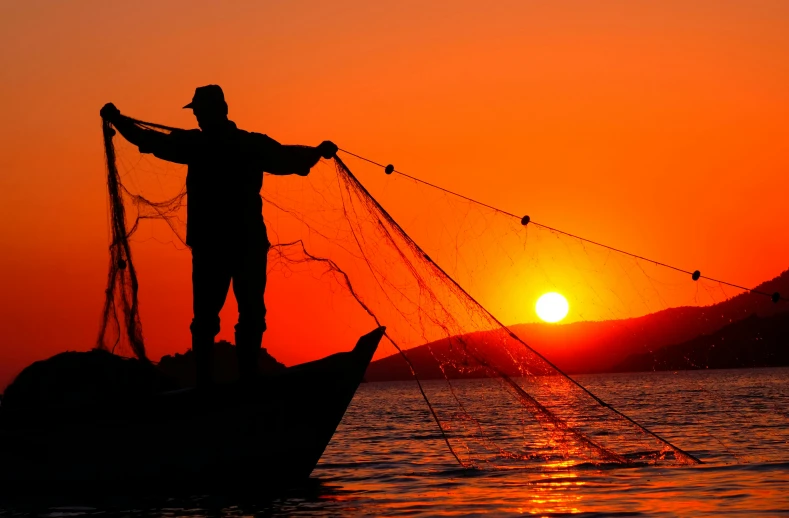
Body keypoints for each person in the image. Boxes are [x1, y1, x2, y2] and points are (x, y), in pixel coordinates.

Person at [100, 85, 337, 386]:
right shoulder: (243, 144)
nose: (198, 116)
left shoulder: (199, 145)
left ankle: (214, 381)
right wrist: (318, 152)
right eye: (196, 112)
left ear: (215, 111)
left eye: (199, 111)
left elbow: (149, 141)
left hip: (217, 244)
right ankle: (234, 379)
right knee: (237, 315)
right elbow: (291, 161)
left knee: (217, 317)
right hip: (241, 242)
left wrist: (117, 120)